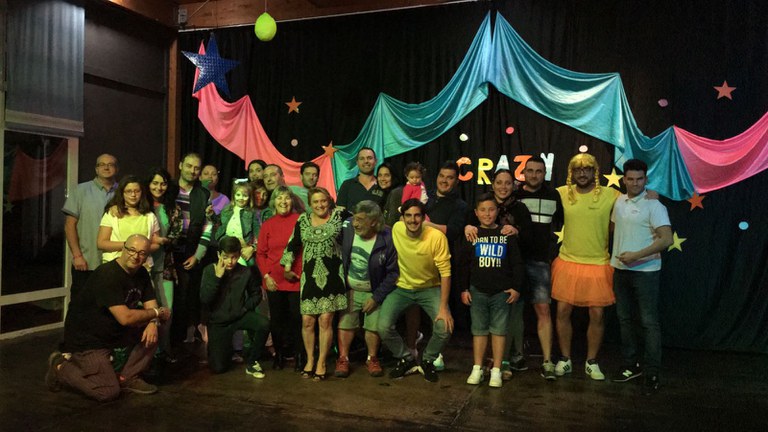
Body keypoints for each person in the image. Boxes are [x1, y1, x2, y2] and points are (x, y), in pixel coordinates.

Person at [45, 234, 171, 402]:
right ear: (123, 249)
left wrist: (154, 321)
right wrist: (156, 313)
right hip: (88, 339)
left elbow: (151, 305)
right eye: (132, 250)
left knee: (158, 325)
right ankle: (60, 367)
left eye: (142, 253)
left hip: (113, 332)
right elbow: (126, 318)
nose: (136, 256)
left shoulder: (141, 273)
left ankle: (127, 377)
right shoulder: (108, 275)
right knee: (108, 391)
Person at [387, 161, 468, 370]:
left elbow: (452, 231)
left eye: (450, 177)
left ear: (456, 181)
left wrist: (427, 225)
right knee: (411, 309)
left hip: (440, 265)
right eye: (442, 176)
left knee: (441, 314)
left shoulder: (459, 205)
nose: (444, 180)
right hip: (414, 265)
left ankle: (435, 354)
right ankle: (412, 347)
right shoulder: (426, 196)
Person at [552, 153, 620, 381]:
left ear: (594, 171)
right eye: (578, 169)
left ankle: (592, 361)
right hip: (568, 262)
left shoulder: (611, 194)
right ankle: (565, 359)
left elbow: (633, 201)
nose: (582, 173)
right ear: (571, 172)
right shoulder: (562, 193)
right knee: (562, 312)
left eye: (587, 169)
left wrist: (651, 194)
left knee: (597, 314)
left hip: (598, 264)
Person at [610, 159, 672, 394]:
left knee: (648, 322)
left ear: (646, 179)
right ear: (624, 180)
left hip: (646, 272)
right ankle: (631, 365)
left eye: (639, 179)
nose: (635, 183)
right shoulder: (619, 201)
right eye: (631, 179)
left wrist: (636, 255)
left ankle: (652, 371)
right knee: (625, 320)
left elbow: (666, 239)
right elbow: (614, 229)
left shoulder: (655, 206)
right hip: (620, 271)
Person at [465, 168, 533, 377]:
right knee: (481, 327)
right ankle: (483, 364)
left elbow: (529, 238)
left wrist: (517, 231)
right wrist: (468, 227)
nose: (503, 186)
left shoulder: (519, 209)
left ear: (514, 185)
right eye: (499, 182)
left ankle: (501, 364)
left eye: (508, 183)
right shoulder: (481, 209)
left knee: (507, 325)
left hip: (508, 279)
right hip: (481, 285)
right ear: (492, 184)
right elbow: (465, 258)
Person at [377, 199, 453, 383]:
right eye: (408, 215)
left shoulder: (436, 237)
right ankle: (407, 359)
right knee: (383, 327)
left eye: (417, 215)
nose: (413, 220)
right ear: (402, 218)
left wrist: (443, 307)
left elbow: (446, 273)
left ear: (423, 217)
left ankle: (427, 360)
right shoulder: (396, 229)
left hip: (429, 288)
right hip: (401, 287)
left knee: (444, 328)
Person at [281, 187, 349, 380]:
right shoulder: (302, 220)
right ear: (310, 204)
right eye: (316, 202)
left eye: (323, 201)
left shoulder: (339, 216)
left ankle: (321, 362)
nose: (320, 205)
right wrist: (287, 267)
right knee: (307, 321)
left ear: (329, 201)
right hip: (310, 278)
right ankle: (310, 359)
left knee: (325, 321)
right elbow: (293, 244)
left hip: (333, 277)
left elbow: (361, 220)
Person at [458, 193, 525, 388]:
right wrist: (463, 288)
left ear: (497, 211)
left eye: (491, 210)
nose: (487, 214)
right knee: (479, 330)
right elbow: (464, 265)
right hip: (477, 291)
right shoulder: (472, 234)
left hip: (501, 293)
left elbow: (517, 264)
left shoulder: (506, 235)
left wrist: (516, 287)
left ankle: (496, 369)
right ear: (476, 213)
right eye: (483, 210)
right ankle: (477, 367)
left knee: (499, 331)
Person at [513, 156, 563, 380]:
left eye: (539, 171)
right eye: (530, 171)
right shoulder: (514, 195)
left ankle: (547, 361)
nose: (534, 175)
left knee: (543, 310)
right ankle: (515, 356)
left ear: (545, 174)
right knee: (513, 312)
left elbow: (565, 222)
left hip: (541, 262)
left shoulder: (554, 196)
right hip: (515, 262)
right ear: (523, 173)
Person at [335, 200, 398, 378]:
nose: (355, 223)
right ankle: (343, 358)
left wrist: (376, 297)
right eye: (355, 218)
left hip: (374, 290)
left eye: (360, 220)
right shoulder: (347, 228)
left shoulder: (387, 237)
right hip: (350, 289)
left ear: (373, 222)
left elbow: (393, 273)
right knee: (345, 323)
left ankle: (372, 358)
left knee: (373, 325)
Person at [200, 236, 271, 377]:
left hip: (239, 316)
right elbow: (205, 299)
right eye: (226, 257)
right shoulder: (210, 270)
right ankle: (224, 351)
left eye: (234, 257)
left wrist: (244, 308)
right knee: (219, 367)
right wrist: (217, 278)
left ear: (239, 255)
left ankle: (252, 361)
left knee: (264, 324)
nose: (230, 261)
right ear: (219, 254)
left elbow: (256, 294)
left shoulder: (245, 272)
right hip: (218, 322)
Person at [257, 186, 306, 370]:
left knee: (297, 319)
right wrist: (266, 276)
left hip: (295, 279)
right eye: (279, 198)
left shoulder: (300, 220)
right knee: (277, 320)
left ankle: (299, 355)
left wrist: (299, 273)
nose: (283, 202)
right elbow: (261, 254)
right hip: (274, 280)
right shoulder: (268, 224)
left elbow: (303, 250)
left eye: (286, 198)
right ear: (274, 202)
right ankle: (279, 356)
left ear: (292, 201)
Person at [62, 154, 118, 299]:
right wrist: (77, 256)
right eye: (102, 164)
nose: (106, 167)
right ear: (96, 169)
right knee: (80, 304)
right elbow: (69, 226)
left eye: (110, 164)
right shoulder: (81, 190)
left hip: (115, 263)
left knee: (109, 304)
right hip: (86, 262)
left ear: (116, 169)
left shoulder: (123, 193)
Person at [172, 153, 212, 345]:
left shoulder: (203, 194)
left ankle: (181, 340)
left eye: (196, 168)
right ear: (180, 165)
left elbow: (208, 226)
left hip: (191, 251)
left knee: (187, 296)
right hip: (167, 251)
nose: (192, 171)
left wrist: (198, 255)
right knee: (170, 297)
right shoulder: (168, 189)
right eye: (189, 166)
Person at [145, 168, 182, 361]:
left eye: (163, 183)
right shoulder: (140, 206)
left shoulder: (173, 208)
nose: (159, 187)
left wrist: (164, 241)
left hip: (165, 266)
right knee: (146, 312)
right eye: (155, 183)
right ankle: (146, 354)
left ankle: (163, 351)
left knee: (167, 311)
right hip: (142, 267)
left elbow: (175, 235)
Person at [97, 175, 160, 266]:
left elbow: (156, 244)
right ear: (122, 193)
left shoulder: (150, 216)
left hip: (142, 266)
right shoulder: (112, 213)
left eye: (137, 191)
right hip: (115, 265)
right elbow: (101, 243)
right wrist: (129, 246)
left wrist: (141, 250)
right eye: (129, 191)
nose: (133, 195)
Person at [213, 182, 260, 267]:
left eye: (245, 195)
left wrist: (254, 246)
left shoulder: (251, 213)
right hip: (226, 242)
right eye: (238, 195)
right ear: (233, 195)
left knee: (252, 263)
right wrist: (211, 215)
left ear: (249, 197)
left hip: (242, 245)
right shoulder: (227, 209)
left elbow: (259, 232)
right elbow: (218, 222)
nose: (241, 198)